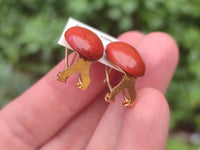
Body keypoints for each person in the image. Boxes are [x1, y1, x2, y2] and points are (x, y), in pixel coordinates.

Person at [0, 31, 179, 150]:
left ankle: (119, 96)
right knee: (85, 69)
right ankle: (111, 93)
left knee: (123, 84)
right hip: (98, 62)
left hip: (127, 74)